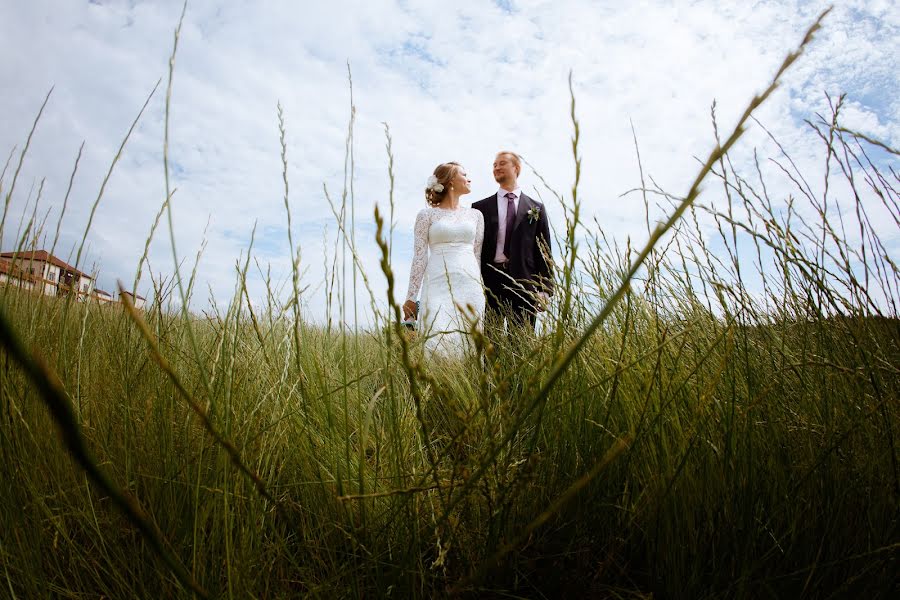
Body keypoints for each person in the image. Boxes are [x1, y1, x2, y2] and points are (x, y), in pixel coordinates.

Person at [403, 162, 486, 357]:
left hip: (469, 286)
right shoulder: (426, 215)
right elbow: (419, 257)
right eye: (464, 175)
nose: (469, 179)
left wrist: (481, 289)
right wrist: (410, 297)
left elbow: (477, 255)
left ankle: (468, 386)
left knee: (470, 343)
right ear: (450, 182)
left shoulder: (476, 216)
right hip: (437, 284)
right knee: (436, 339)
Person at [472, 151, 552, 332]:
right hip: (490, 282)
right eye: (494, 165)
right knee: (492, 342)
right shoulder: (479, 208)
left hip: (525, 283)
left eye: (501, 163)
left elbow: (544, 252)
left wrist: (545, 289)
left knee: (522, 342)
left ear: (516, 168)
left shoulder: (536, 208)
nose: (496, 168)